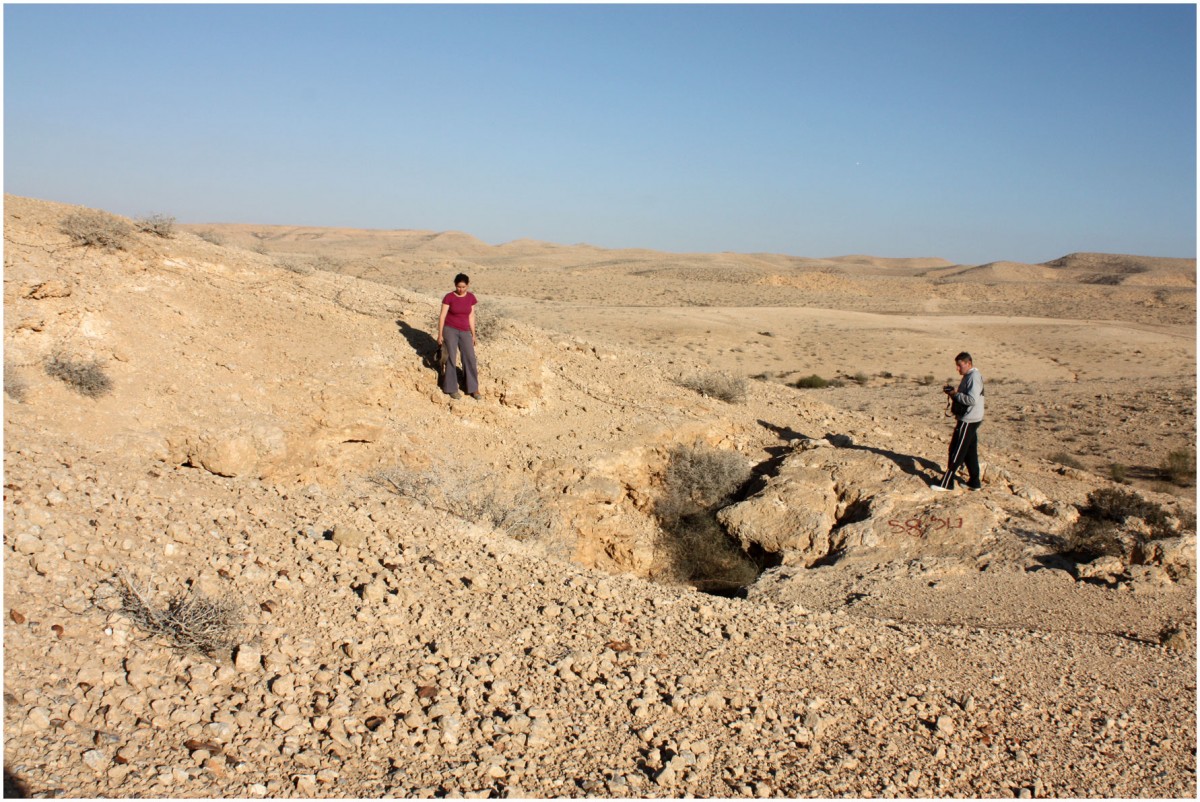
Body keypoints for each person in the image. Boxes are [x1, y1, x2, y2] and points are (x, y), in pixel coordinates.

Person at [931, 351, 984, 491]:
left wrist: (955, 394)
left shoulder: (973, 377)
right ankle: (974, 482)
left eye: (960, 365)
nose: (957, 369)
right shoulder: (970, 376)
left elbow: (972, 400)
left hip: (969, 419)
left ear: (969, 363)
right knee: (969, 451)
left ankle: (947, 483)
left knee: (957, 450)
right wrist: (953, 392)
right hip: (972, 418)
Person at [437, 273, 480, 399]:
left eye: (463, 287)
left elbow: (471, 316)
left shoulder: (471, 297)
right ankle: (450, 388)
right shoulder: (449, 297)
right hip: (450, 329)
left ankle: (473, 388)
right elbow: (442, 316)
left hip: (465, 330)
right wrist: (440, 334)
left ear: (468, 285)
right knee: (451, 357)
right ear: (455, 285)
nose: (461, 289)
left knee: (470, 357)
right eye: (458, 287)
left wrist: (473, 334)